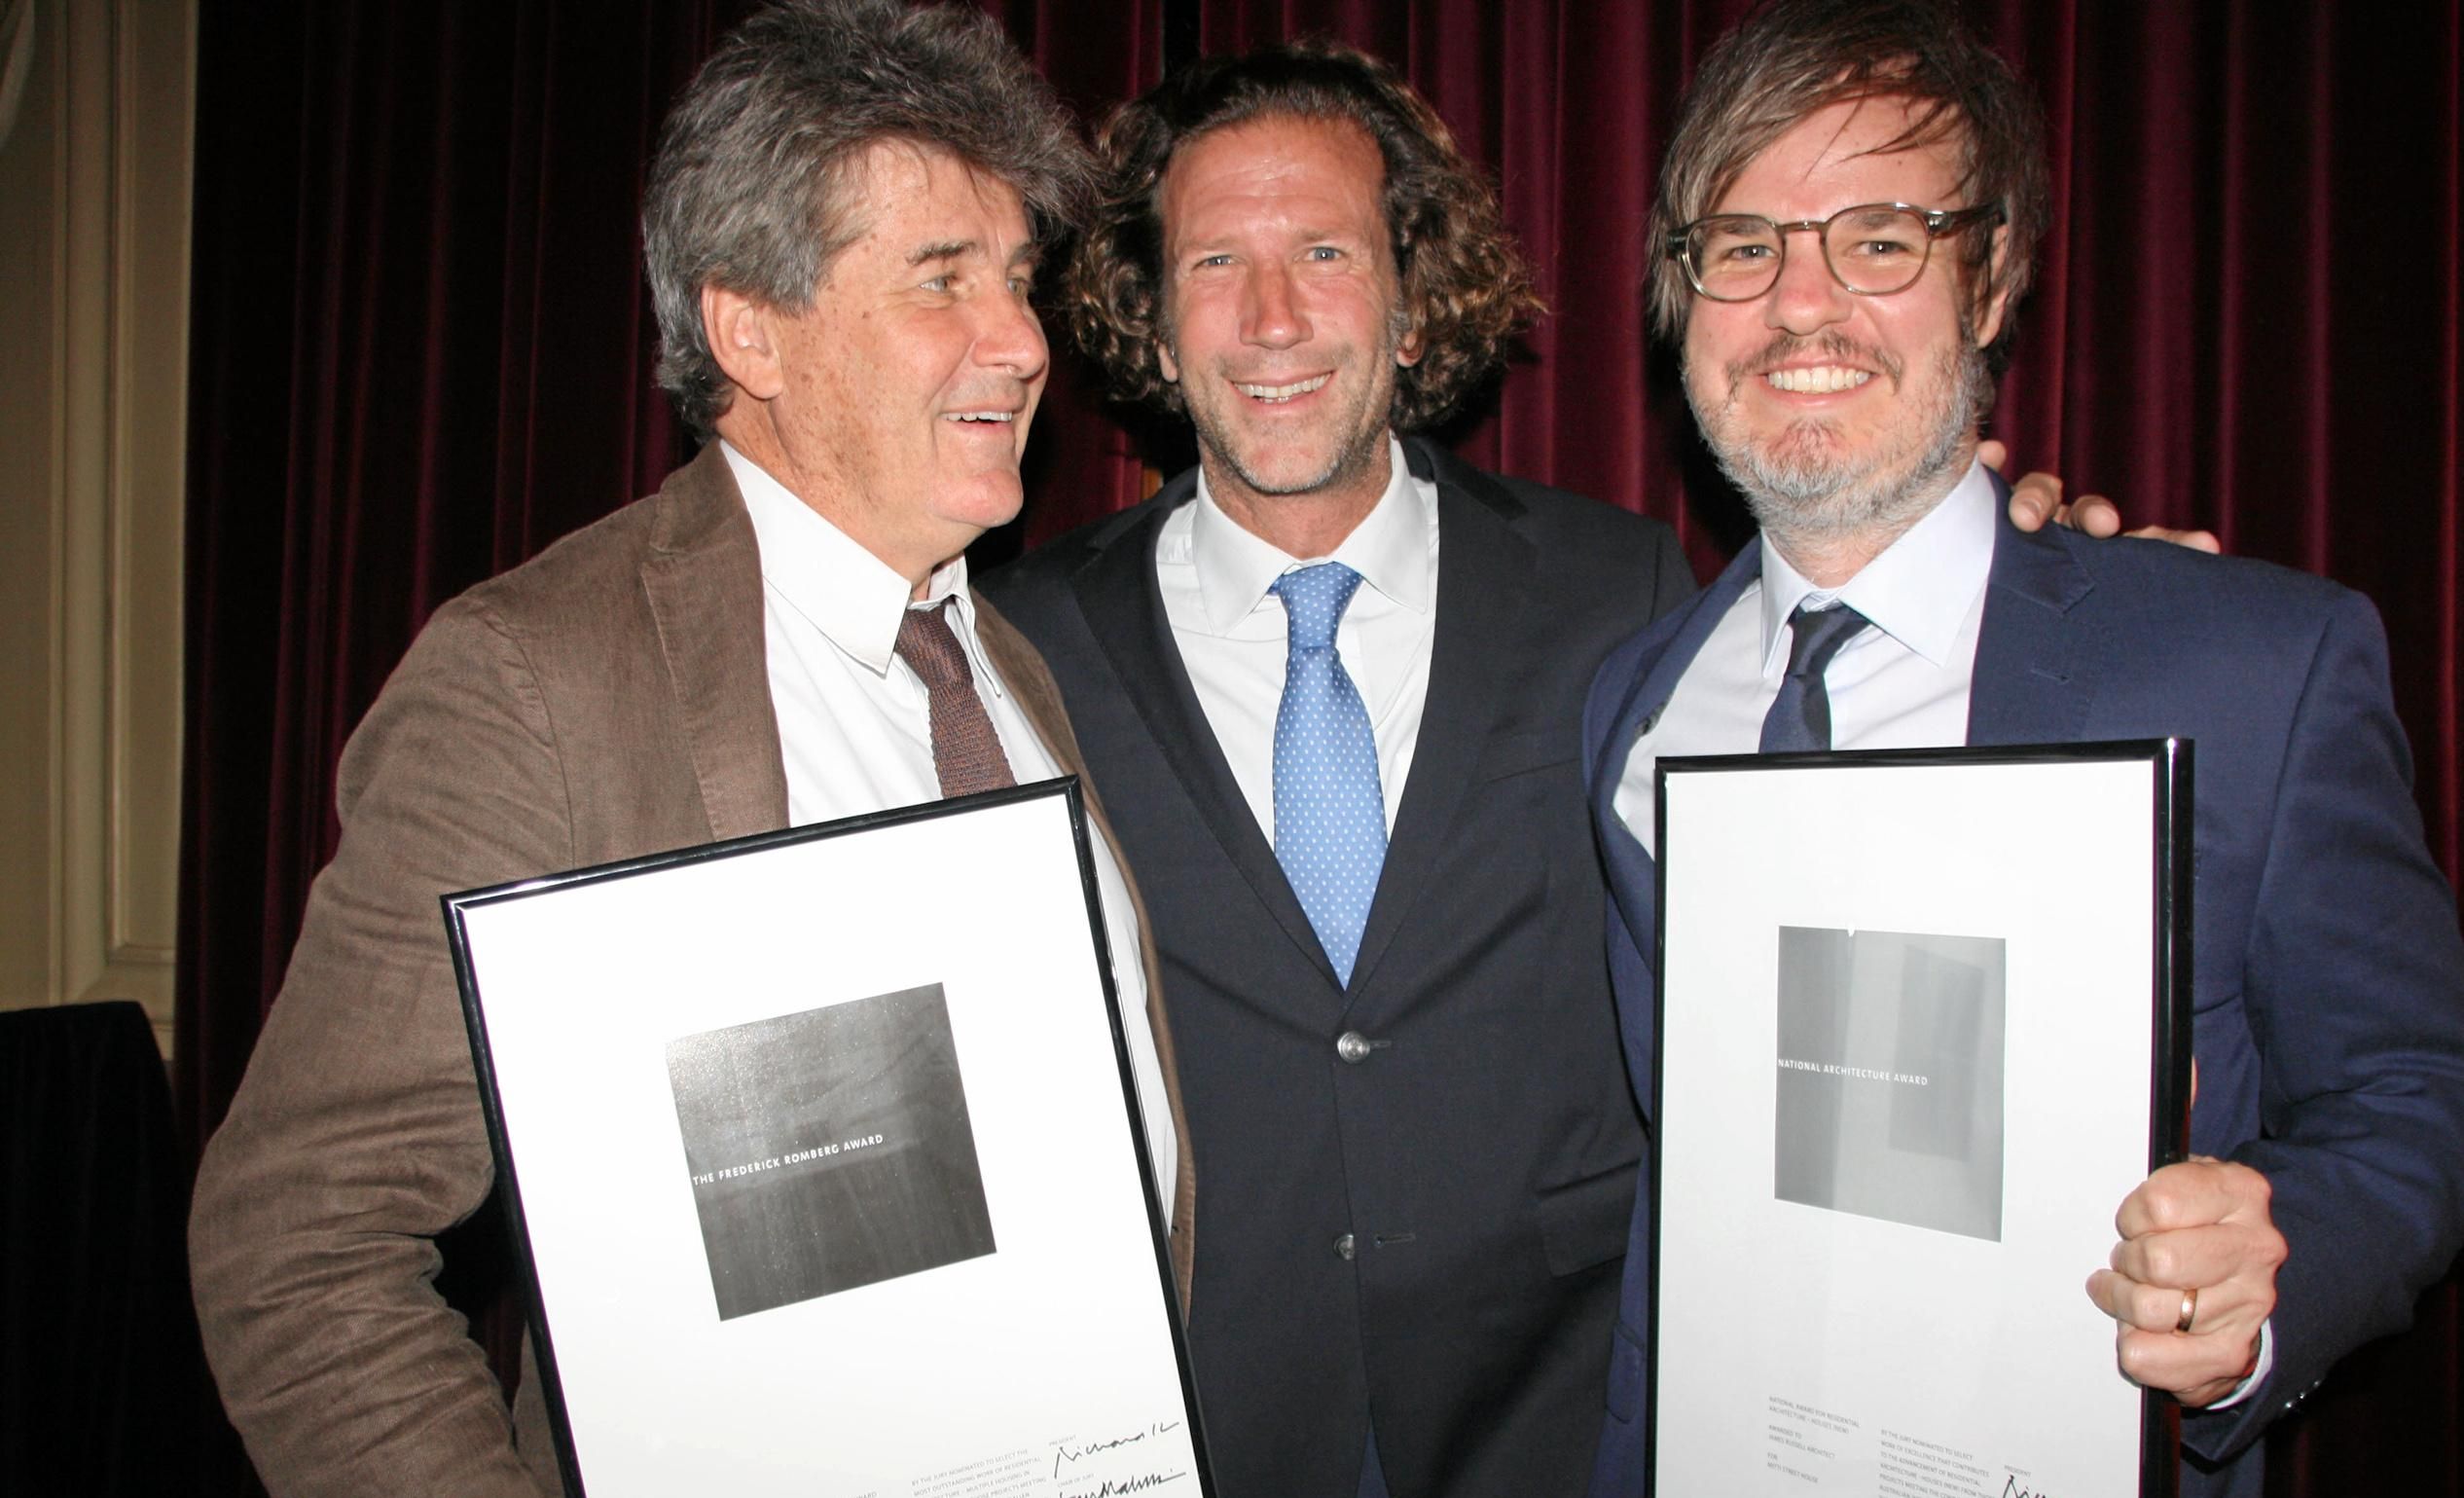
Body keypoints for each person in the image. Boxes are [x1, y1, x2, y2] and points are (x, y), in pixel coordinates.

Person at [985, 39, 2111, 1498]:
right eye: (1215, 264)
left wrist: (2053, 572)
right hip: (1202, 1422)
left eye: (1325, 250)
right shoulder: (1020, 642)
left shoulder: (1623, 593)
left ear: (1409, 292)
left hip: (1560, 1420)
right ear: (1153, 310)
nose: (1272, 318)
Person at [187, 4, 1194, 1495]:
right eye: (943, 282)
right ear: (749, 328)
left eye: (1019, 280)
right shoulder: (538, 676)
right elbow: (298, 1243)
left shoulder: (1004, 662)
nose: (1025, 343)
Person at [1582, 3, 2464, 1494]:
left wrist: (2256, 1283)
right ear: (1682, 299)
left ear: (1989, 282)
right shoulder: (1627, 702)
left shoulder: (2253, 667)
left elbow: (2411, 1097)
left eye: (1880, 238)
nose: (1803, 305)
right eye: (1743, 245)